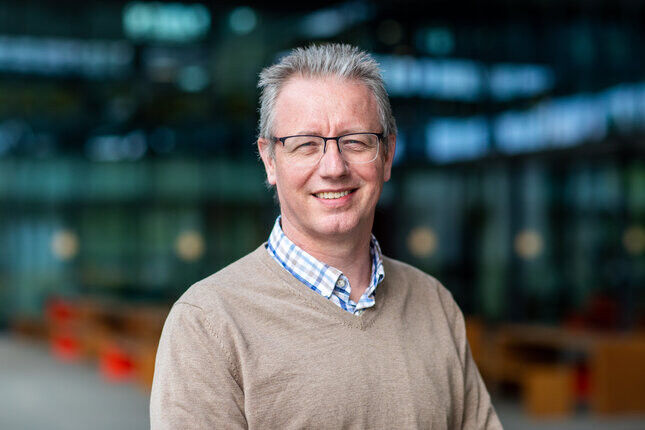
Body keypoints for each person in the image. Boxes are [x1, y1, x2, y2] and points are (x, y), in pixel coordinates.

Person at [150, 43, 502, 429]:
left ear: (387, 154)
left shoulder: (434, 303)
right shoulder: (208, 324)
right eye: (306, 144)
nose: (334, 168)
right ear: (269, 160)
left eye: (356, 141)